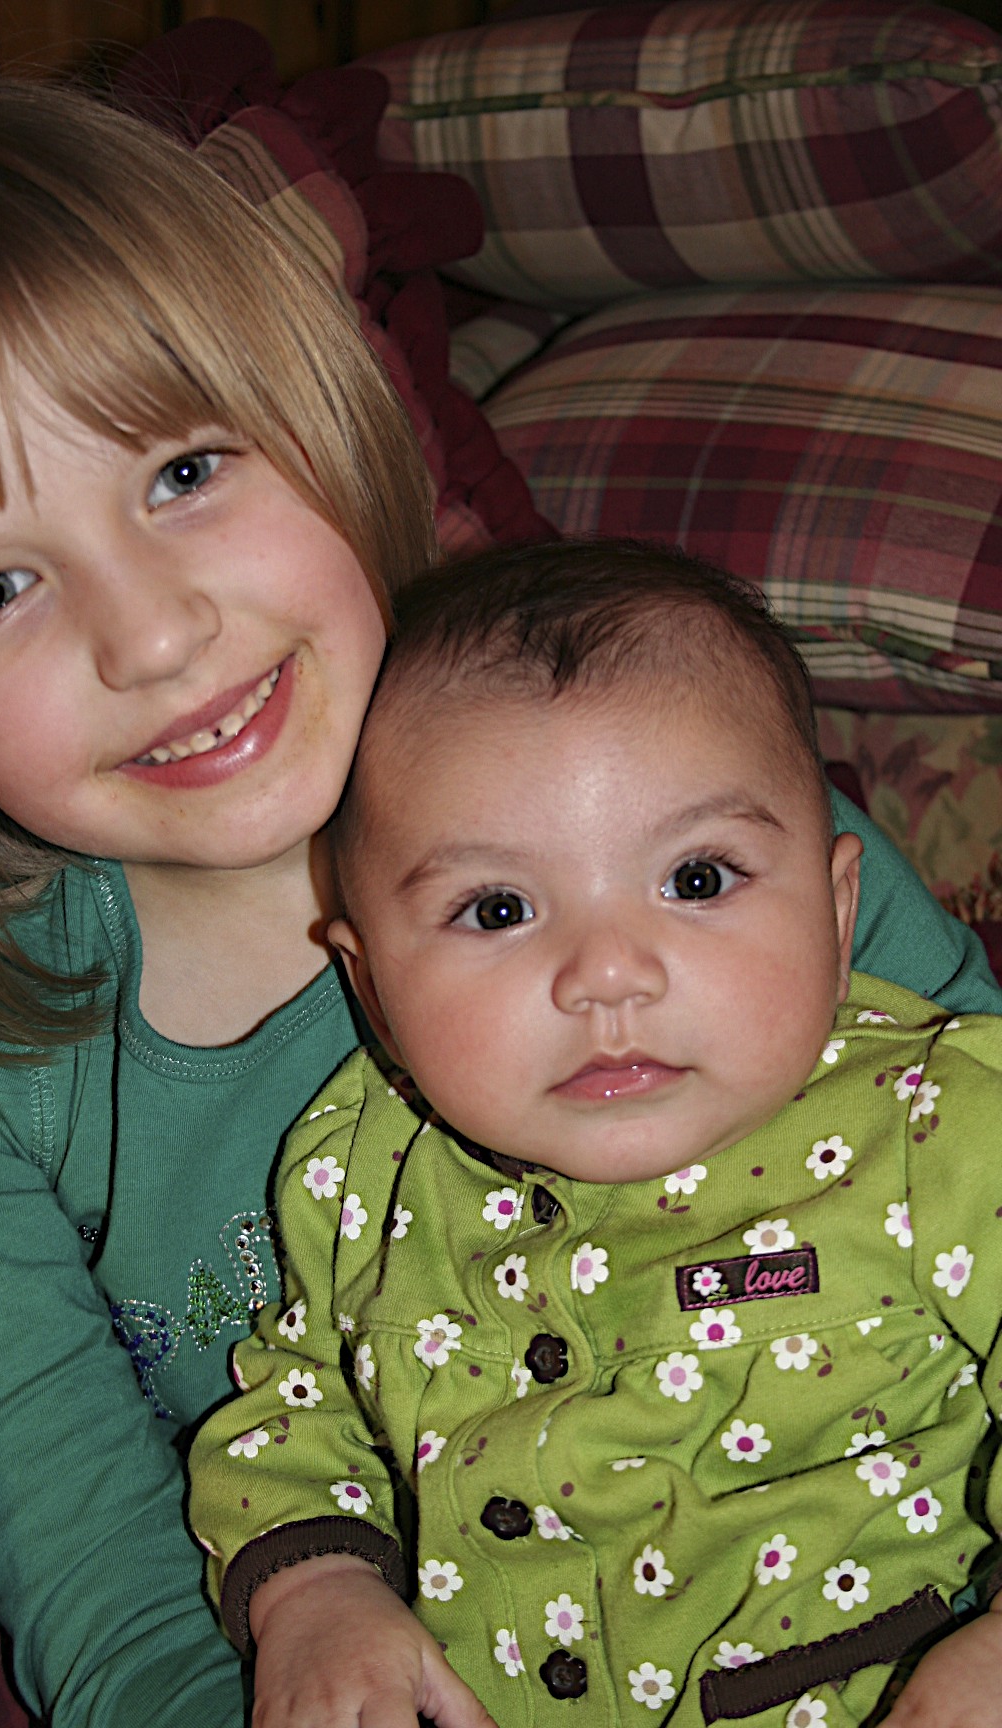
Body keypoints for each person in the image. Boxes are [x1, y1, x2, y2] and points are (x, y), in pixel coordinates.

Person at [190, 540, 1002, 1728]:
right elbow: (299, 1406)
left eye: (697, 879)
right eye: (499, 909)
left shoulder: (942, 1122)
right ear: (373, 991)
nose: (608, 973)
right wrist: (316, 1591)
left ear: (838, 917)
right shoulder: (361, 1174)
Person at [0, 76, 434, 1727]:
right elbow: (100, 1599)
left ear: (322, 411)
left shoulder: (659, 790)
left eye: (183, 470)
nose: (154, 636)